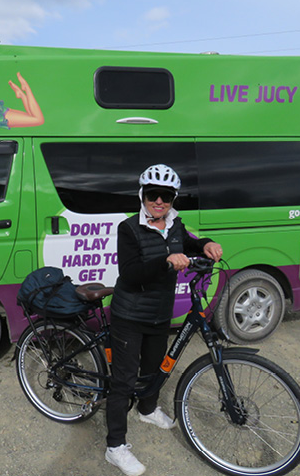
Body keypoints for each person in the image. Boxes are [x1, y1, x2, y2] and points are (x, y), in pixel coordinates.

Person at [104, 164, 223, 476]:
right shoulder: (129, 229)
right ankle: (115, 447)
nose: (159, 201)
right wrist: (165, 261)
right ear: (142, 196)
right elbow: (129, 274)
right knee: (124, 381)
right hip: (129, 315)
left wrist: (206, 243)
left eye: (166, 196)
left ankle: (146, 409)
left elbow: (190, 242)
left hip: (160, 314)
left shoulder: (174, 225)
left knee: (155, 369)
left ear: (173, 199)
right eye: (153, 195)